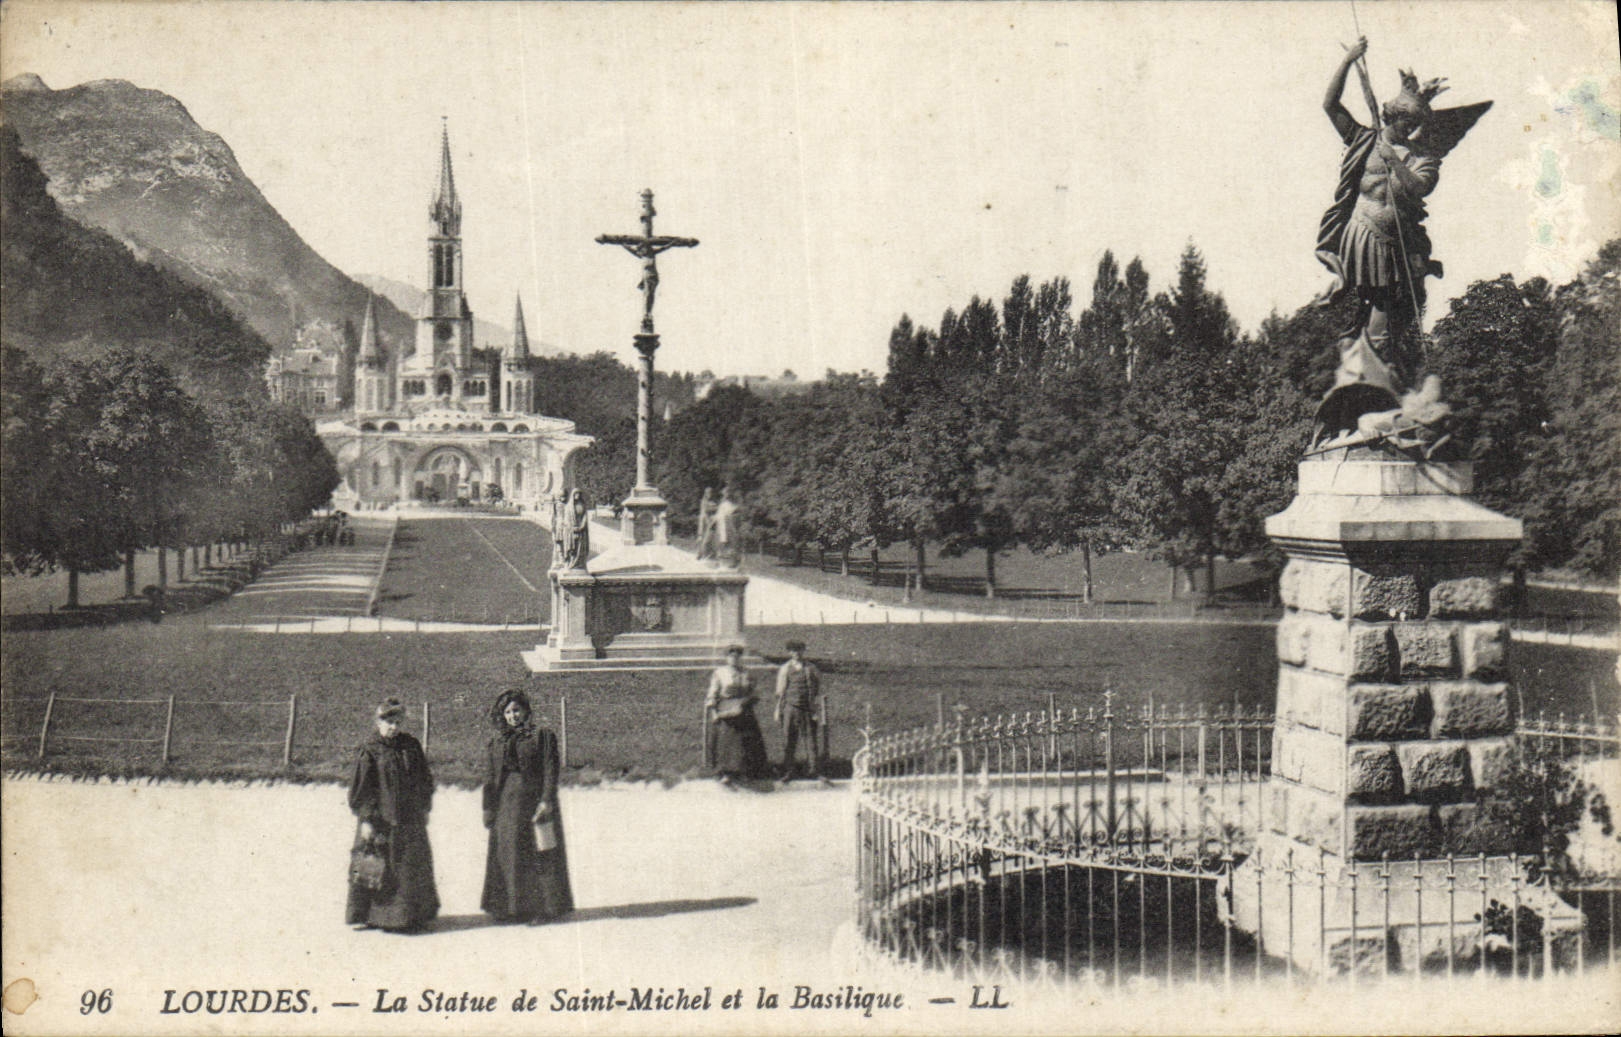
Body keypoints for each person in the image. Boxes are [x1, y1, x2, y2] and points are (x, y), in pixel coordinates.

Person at [1314, 36, 1490, 438]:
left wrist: (1395, 160)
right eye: (1401, 122)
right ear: (1390, 115)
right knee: (1376, 318)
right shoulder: (1364, 140)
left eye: (1413, 125)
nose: (1407, 129)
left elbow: (1418, 188)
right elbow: (1330, 104)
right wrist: (1349, 60)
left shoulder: (1423, 157)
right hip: (1362, 237)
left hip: (1396, 248)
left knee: (1389, 321)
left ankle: (1372, 393)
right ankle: (1370, 398)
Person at [481, 689, 574, 924]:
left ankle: (540, 910)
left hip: (533, 802)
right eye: (508, 712)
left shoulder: (542, 736)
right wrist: (488, 808)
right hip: (506, 805)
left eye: (516, 710)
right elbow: (490, 779)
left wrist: (546, 800)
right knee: (509, 855)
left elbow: (550, 770)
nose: (513, 716)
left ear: (525, 711)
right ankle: (511, 909)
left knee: (537, 854)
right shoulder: (496, 742)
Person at [346, 697, 439, 932]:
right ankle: (373, 916)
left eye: (398, 722)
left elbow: (424, 779)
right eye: (389, 722)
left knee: (408, 867)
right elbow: (362, 788)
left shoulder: (411, 745)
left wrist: (424, 806)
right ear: (378, 721)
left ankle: (409, 917)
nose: (394, 727)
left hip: (410, 818)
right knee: (377, 865)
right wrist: (366, 819)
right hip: (381, 819)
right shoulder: (370, 750)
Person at [705, 645, 768, 785]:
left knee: (747, 741)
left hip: (744, 710)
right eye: (731, 656)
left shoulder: (747, 673)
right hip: (726, 710)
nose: (734, 659)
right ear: (727, 658)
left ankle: (746, 771)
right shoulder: (720, 673)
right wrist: (714, 713)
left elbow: (755, 691)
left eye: (737, 656)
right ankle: (725, 773)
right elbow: (712, 694)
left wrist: (749, 700)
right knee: (727, 742)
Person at [773, 640, 826, 781]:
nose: (796, 653)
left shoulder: (810, 668)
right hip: (790, 708)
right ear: (789, 652)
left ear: (803, 651)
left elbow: (818, 687)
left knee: (810, 740)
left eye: (799, 650)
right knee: (789, 739)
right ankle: (789, 771)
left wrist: (816, 707)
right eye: (793, 651)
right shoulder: (785, 668)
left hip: (807, 708)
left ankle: (813, 770)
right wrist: (778, 709)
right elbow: (780, 691)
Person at [713, 486, 739, 568]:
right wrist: (714, 519)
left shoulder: (729, 504)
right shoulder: (723, 503)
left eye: (726, 493)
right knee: (720, 542)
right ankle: (719, 561)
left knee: (729, 542)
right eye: (723, 493)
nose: (724, 495)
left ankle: (733, 561)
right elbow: (719, 514)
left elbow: (730, 513)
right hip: (721, 524)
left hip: (727, 524)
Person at [565, 490, 590, 570]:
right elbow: (567, 519)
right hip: (572, 529)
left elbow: (585, 516)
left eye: (579, 494)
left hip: (581, 529)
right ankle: (572, 563)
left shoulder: (582, 505)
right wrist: (572, 527)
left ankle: (580, 564)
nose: (578, 495)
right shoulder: (569, 507)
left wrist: (582, 526)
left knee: (581, 547)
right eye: (576, 494)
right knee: (573, 547)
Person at [694, 487, 719, 561]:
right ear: (705, 493)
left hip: (710, 520)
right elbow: (704, 512)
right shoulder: (704, 501)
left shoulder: (713, 502)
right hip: (704, 520)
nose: (709, 494)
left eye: (710, 493)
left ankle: (707, 553)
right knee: (702, 537)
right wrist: (707, 521)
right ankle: (700, 553)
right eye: (708, 493)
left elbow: (716, 510)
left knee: (709, 537)